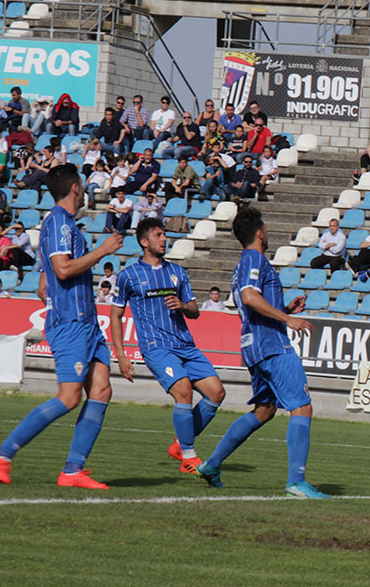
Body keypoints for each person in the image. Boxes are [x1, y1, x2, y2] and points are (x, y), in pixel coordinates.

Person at [0, 164, 125, 490]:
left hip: (86, 322)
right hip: (71, 322)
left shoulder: (64, 225)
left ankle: (73, 470)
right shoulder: (59, 221)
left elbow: (45, 282)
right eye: (83, 184)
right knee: (69, 397)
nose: (85, 189)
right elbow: (61, 270)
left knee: (101, 390)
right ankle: (1, 456)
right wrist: (102, 251)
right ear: (75, 188)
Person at [194, 206, 329, 499]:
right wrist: (287, 319)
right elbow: (249, 297)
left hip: (252, 346)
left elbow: (251, 300)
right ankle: (297, 482)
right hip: (272, 345)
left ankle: (212, 464)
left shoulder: (243, 262)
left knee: (265, 411)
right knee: (302, 406)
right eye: (265, 228)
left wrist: (284, 309)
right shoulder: (255, 258)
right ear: (259, 233)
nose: (267, 233)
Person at [110, 217, 228, 474]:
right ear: (144, 242)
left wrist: (183, 305)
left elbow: (195, 311)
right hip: (157, 347)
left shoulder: (178, 272)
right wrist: (120, 355)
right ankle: (189, 456)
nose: (165, 239)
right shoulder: (128, 276)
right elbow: (115, 315)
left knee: (217, 393)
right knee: (184, 390)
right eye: (159, 235)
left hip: (185, 345)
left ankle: (179, 445)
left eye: (165, 235)